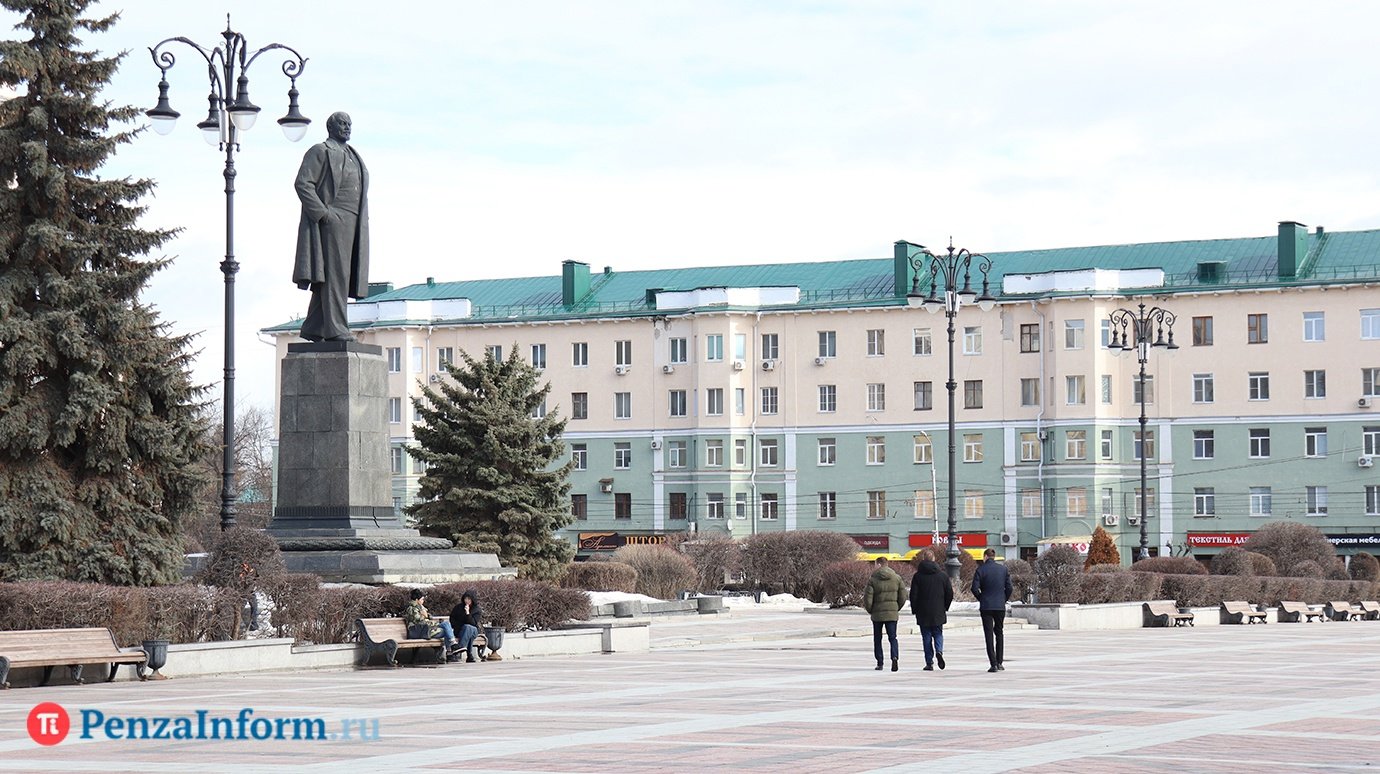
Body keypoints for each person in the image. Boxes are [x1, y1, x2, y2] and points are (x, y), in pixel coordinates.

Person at [292, 111, 370, 342]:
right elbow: (303, 183)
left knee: (337, 274)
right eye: (342, 124)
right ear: (331, 127)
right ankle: (336, 328)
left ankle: (314, 327)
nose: (347, 127)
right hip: (334, 219)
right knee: (337, 274)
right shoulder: (321, 151)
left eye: (349, 123)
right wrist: (323, 214)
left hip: (355, 222)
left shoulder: (353, 154)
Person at [970, 548, 1013, 672]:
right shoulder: (1003, 569)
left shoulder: (980, 570)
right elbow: (1009, 587)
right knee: (999, 633)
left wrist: (981, 598)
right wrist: (1003, 599)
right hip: (1000, 606)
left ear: (985, 557)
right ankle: (1000, 662)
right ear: (994, 557)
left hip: (986, 606)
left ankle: (993, 664)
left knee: (988, 635)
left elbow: (974, 588)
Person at [863, 556, 907, 672]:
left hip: (877, 614)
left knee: (878, 638)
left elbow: (868, 598)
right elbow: (903, 596)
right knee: (893, 637)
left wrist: (870, 610)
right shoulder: (897, 578)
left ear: (878, 565)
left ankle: (880, 662)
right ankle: (894, 657)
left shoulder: (873, 579)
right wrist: (896, 608)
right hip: (892, 613)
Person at [909, 557, 953, 671]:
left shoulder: (917, 576)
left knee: (926, 636)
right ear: (934, 559)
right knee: (938, 633)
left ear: (924, 559)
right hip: (938, 610)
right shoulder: (942, 576)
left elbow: (913, 595)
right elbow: (949, 593)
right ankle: (939, 651)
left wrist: (914, 609)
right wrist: (945, 606)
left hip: (923, 611)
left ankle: (929, 662)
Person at [403, 588, 462, 662]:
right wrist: (427, 617)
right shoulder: (411, 608)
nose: (423, 601)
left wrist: (427, 615)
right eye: (422, 599)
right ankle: (452, 648)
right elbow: (418, 621)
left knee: (446, 629)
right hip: (419, 631)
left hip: (426, 629)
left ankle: (450, 652)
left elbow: (428, 617)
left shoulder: (420, 607)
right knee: (446, 627)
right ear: (417, 600)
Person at [448, 589, 484, 663]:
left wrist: (468, 613)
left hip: (474, 630)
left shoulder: (477, 610)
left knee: (468, 627)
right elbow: (452, 618)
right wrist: (457, 626)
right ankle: (469, 655)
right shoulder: (458, 607)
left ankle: (461, 647)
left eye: (469, 599)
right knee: (467, 631)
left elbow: (473, 623)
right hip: (461, 630)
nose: (466, 601)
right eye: (465, 598)